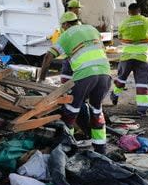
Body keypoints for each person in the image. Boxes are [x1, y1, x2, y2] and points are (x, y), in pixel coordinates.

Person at [39, 11, 111, 153]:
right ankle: (100, 147)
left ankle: (67, 146)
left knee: (71, 111)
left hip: (85, 75)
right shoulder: (92, 29)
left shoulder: (66, 35)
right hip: (105, 73)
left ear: (65, 24)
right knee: (97, 110)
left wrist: (41, 78)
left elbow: (48, 56)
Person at [109, 3, 148, 116]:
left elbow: (120, 37)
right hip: (142, 57)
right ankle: (142, 110)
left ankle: (114, 95)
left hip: (127, 57)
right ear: (140, 10)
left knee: (121, 79)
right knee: (142, 83)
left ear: (128, 12)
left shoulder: (123, 23)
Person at [47, 0, 83, 83]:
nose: (80, 10)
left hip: (74, 53)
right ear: (73, 8)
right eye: (79, 8)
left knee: (70, 76)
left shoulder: (73, 20)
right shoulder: (68, 19)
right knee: (68, 75)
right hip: (71, 53)